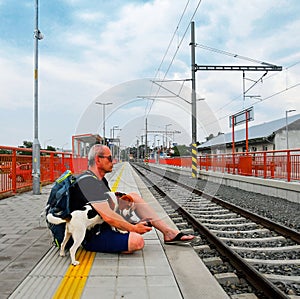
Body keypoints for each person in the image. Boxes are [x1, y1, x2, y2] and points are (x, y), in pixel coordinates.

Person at [70, 144, 194, 253]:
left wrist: (129, 219)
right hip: (89, 234)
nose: (113, 161)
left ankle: (168, 232)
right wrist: (133, 228)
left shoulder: (99, 179)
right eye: (109, 158)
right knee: (137, 242)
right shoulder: (88, 183)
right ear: (98, 160)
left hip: (101, 223)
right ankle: (120, 240)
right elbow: (108, 217)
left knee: (134, 196)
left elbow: (108, 208)